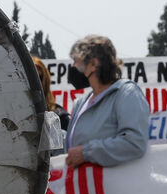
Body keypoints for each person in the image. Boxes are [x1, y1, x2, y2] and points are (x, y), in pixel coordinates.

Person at [64, 35, 150, 168]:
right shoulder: (81, 103)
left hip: (116, 187)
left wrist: (86, 152)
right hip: (85, 187)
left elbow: (134, 142)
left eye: (76, 61)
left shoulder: (126, 93)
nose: (73, 67)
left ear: (93, 64)